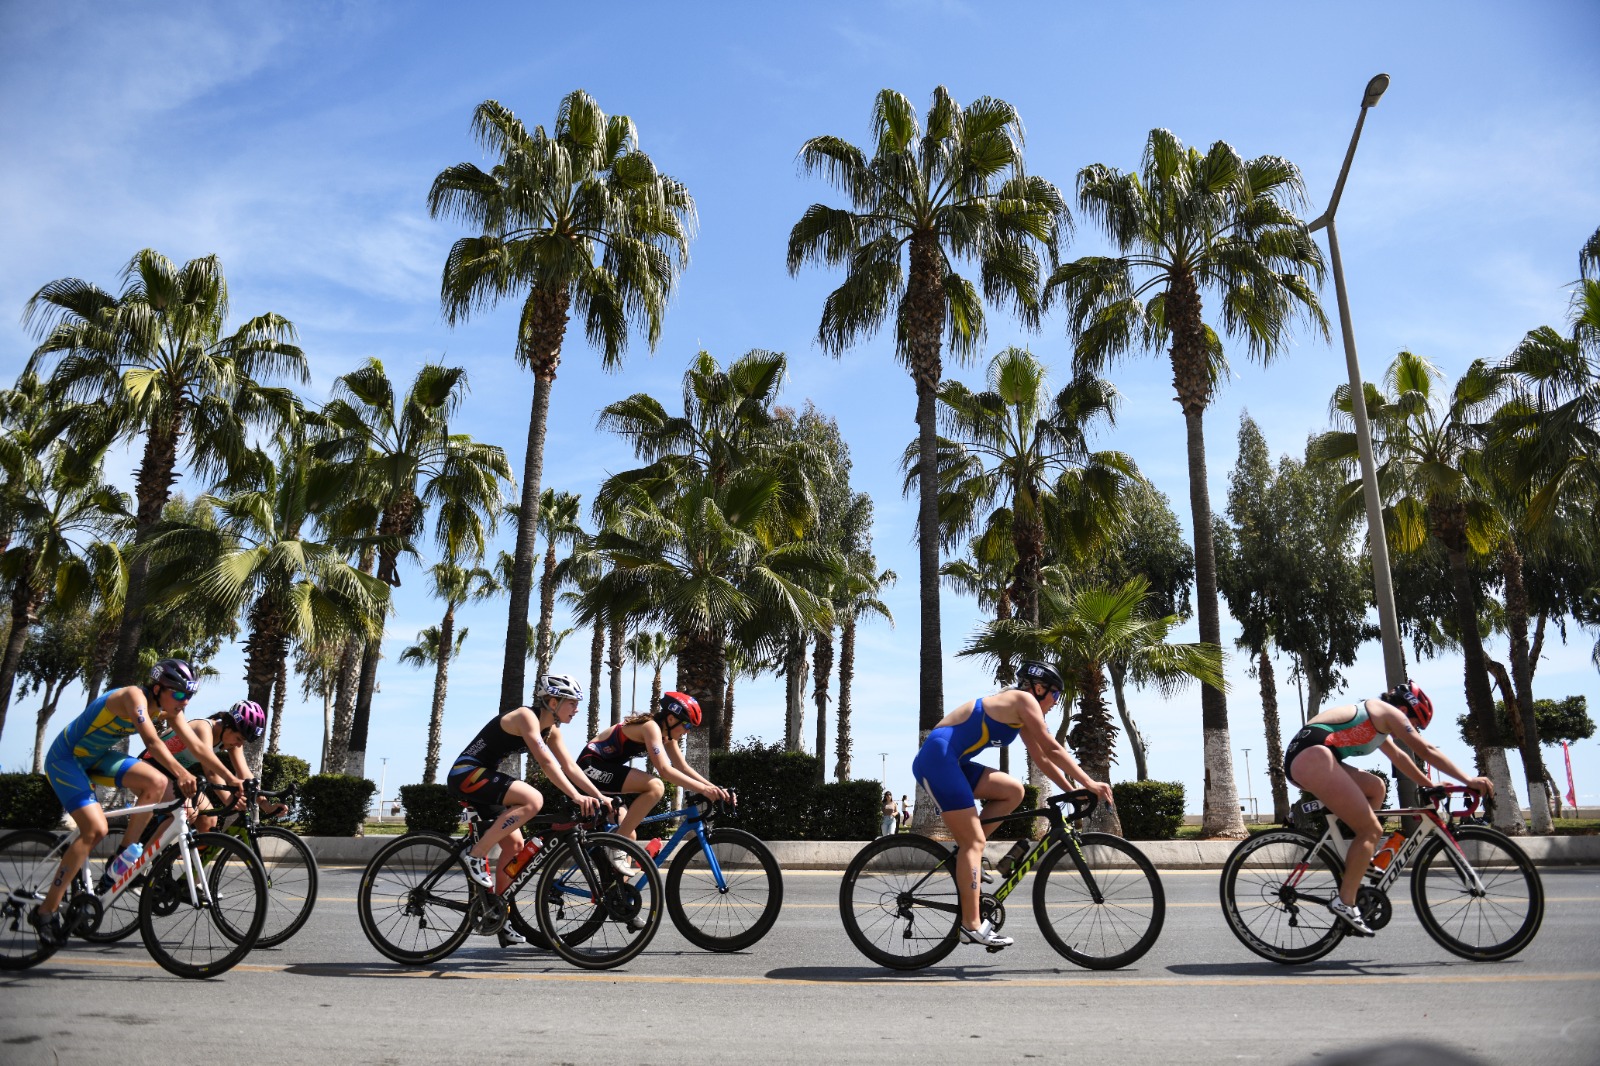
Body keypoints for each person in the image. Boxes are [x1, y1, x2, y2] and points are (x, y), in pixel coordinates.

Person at [910, 660, 1113, 951]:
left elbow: (1042, 758)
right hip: (937, 760)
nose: (1056, 702)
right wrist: (1089, 782)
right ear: (1039, 688)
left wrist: (1071, 790)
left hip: (953, 762)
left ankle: (968, 857)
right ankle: (971, 925)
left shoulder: (1019, 711)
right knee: (973, 843)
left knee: (1013, 791)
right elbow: (1053, 747)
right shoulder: (1022, 700)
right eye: (1055, 694)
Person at [33, 659, 239, 945]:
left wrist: (233, 780)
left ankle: (121, 859)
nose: (185, 702)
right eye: (180, 694)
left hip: (97, 758)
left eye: (190, 695)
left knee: (157, 782)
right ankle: (45, 911)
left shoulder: (169, 708)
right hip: (66, 758)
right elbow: (153, 743)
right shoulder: (134, 697)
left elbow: (197, 747)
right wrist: (181, 773)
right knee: (96, 829)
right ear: (157, 688)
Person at [1284, 681, 1494, 937]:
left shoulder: (1378, 725)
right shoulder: (1386, 711)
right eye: (1415, 724)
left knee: (1376, 788)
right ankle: (1345, 902)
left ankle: (1362, 857)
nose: (1413, 729)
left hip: (1312, 757)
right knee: (1370, 830)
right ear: (1405, 709)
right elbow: (1425, 749)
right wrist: (1468, 780)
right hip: (1311, 757)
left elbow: (1400, 757)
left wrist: (1430, 785)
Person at [447, 672, 604, 946]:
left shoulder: (551, 730)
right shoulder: (525, 717)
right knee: (533, 800)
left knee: (515, 846)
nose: (577, 709)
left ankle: (498, 915)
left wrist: (599, 796)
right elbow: (546, 762)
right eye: (572, 703)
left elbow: (570, 767)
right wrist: (576, 796)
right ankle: (475, 855)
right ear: (553, 702)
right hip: (466, 772)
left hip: (483, 777)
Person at [576, 692, 732, 853]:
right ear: (671, 719)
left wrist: (715, 789)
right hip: (589, 765)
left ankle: (615, 858)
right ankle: (615, 846)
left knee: (629, 836)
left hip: (605, 770)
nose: (687, 731)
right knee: (655, 786)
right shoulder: (651, 727)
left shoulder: (667, 737)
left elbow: (682, 767)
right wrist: (704, 790)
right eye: (687, 725)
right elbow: (664, 770)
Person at [138, 701, 283, 842]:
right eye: (239, 738)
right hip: (148, 768)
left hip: (175, 775)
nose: (240, 744)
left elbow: (245, 775)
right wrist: (229, 800)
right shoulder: (204, 728)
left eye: (243, 741)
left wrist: (266, 805)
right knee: (188, 812)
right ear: (228, 725)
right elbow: (211, 772)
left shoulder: (232, 741)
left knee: (209, 820)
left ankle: (186, 858)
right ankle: (142, 858)